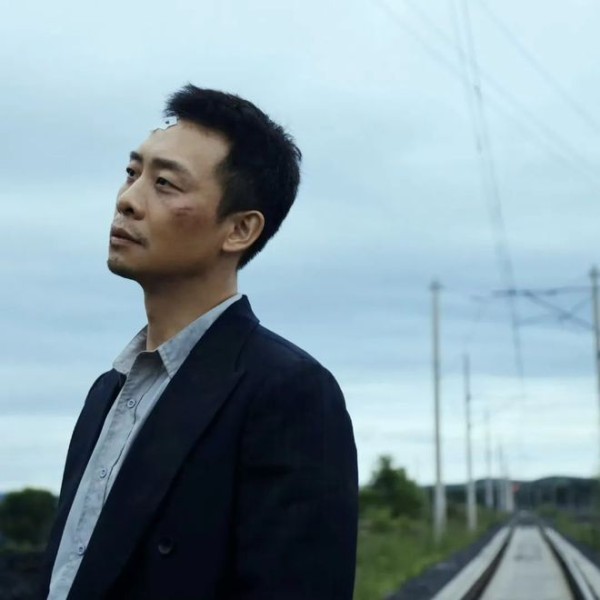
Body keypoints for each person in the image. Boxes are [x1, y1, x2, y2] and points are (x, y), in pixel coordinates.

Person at [39, 85, 358, 600]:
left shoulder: (289, 393)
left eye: (165, 184)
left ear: (239, 230)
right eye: (132, 173)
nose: (127, 200)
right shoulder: (107, 391)